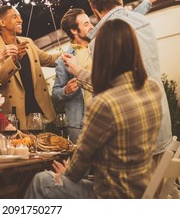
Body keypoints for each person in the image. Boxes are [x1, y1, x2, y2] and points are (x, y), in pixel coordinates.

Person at [25, 19, 163, 199]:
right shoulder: (153, 88)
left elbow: (78, 168)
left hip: (112, 197)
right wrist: (76, 75)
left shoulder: (104, 103)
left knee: (41, 180)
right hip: (143, 189)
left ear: (103, 55)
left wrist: (68, 172)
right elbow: (113, 87)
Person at [63, 0, 172, 161]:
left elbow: (106, 88)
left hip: (134, 139)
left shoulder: (102, 38)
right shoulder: (143, 22)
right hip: (161, 127)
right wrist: (147, 1)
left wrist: (77, 71)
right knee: (157, 190)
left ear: (93, 6)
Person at [0, 5, 61, 129]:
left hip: (39, 113)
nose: (20, 20)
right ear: (2, 22)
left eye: (20, 17)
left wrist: (73, 51)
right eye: (14, 17)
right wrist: (13, 60)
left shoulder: (27, 42)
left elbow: (49, 60)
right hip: (15, 117)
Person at [52, 8, 94, 144]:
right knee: (83, 164)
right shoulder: (63, 60)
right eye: (86, 24)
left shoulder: (100, 47)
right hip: (79, 123)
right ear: (74, 31)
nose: (92, 26)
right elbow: (55, 93)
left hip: (104, 115)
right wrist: (65, 91)